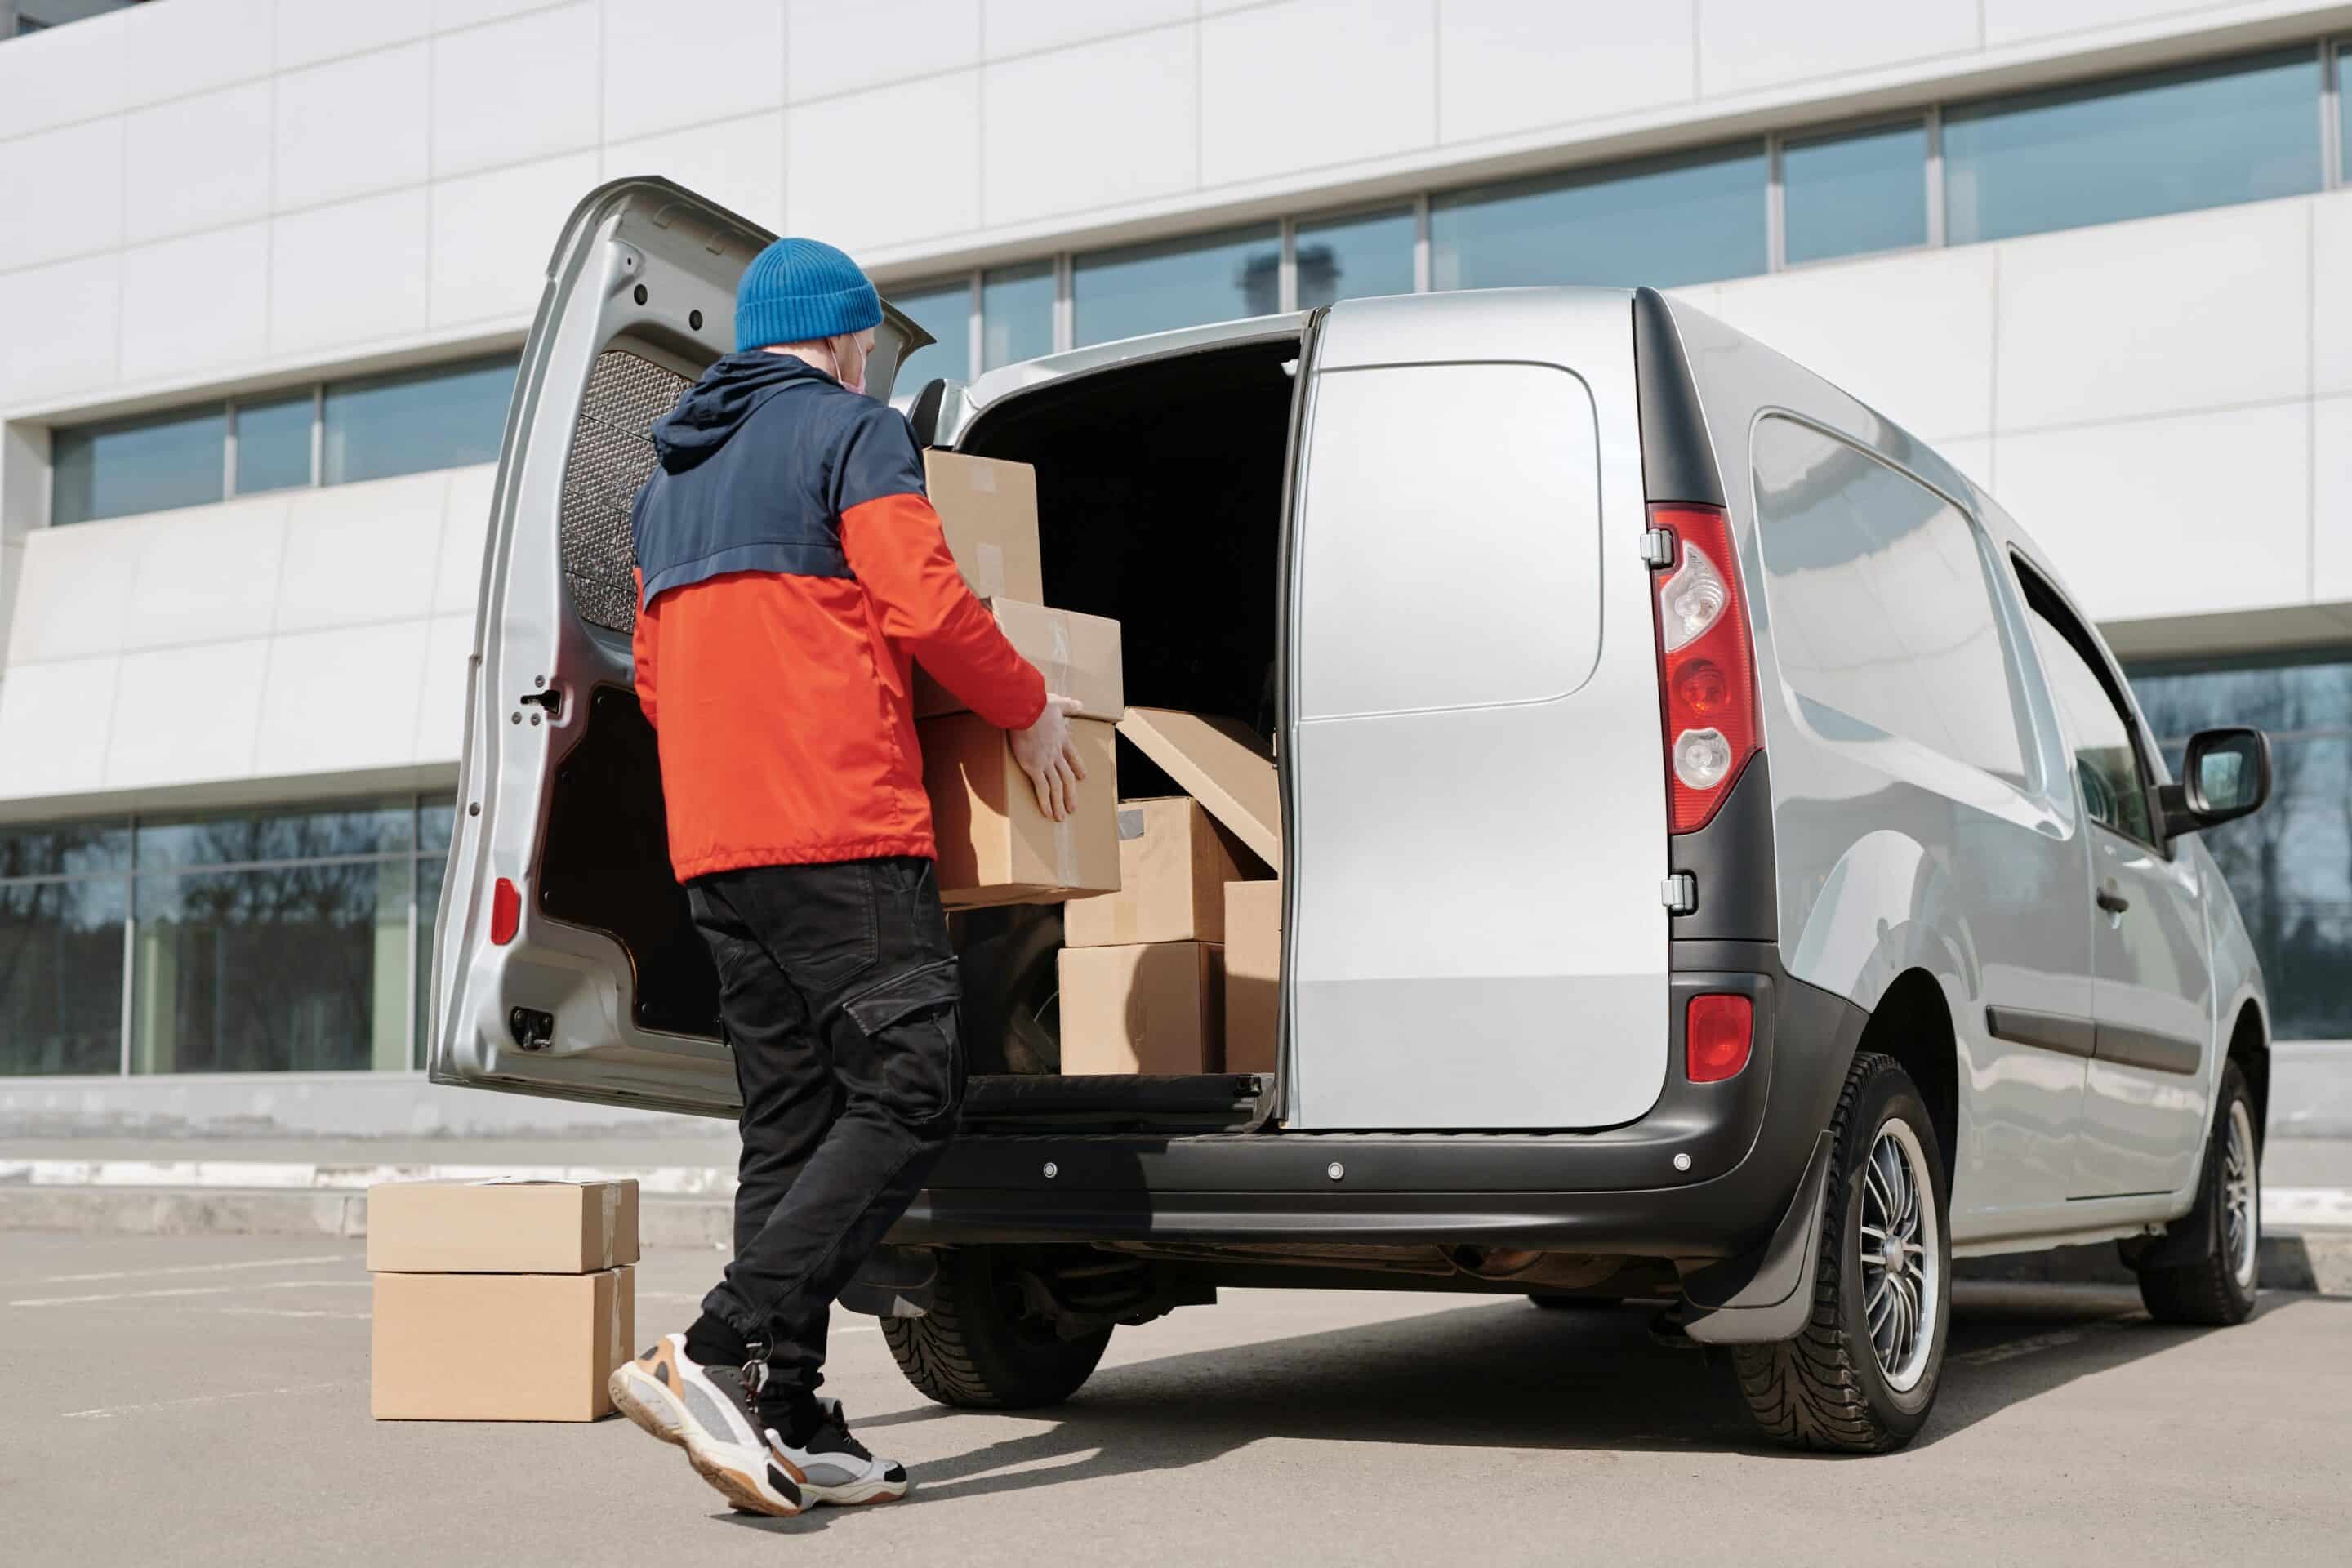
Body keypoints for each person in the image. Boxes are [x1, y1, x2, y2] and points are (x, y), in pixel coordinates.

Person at [605, 236, 1087, 1517]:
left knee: (792, 1123)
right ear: (844, 335)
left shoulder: (665, 489)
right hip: (839, 827)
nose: (870, 358)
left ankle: (792, 1409)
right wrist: (1028, 707)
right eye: (868, 340)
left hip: (717, 846)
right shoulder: (853, 435)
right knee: (912, 1093)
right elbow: (924, 603)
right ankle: (714, 1347)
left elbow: (655, 681)